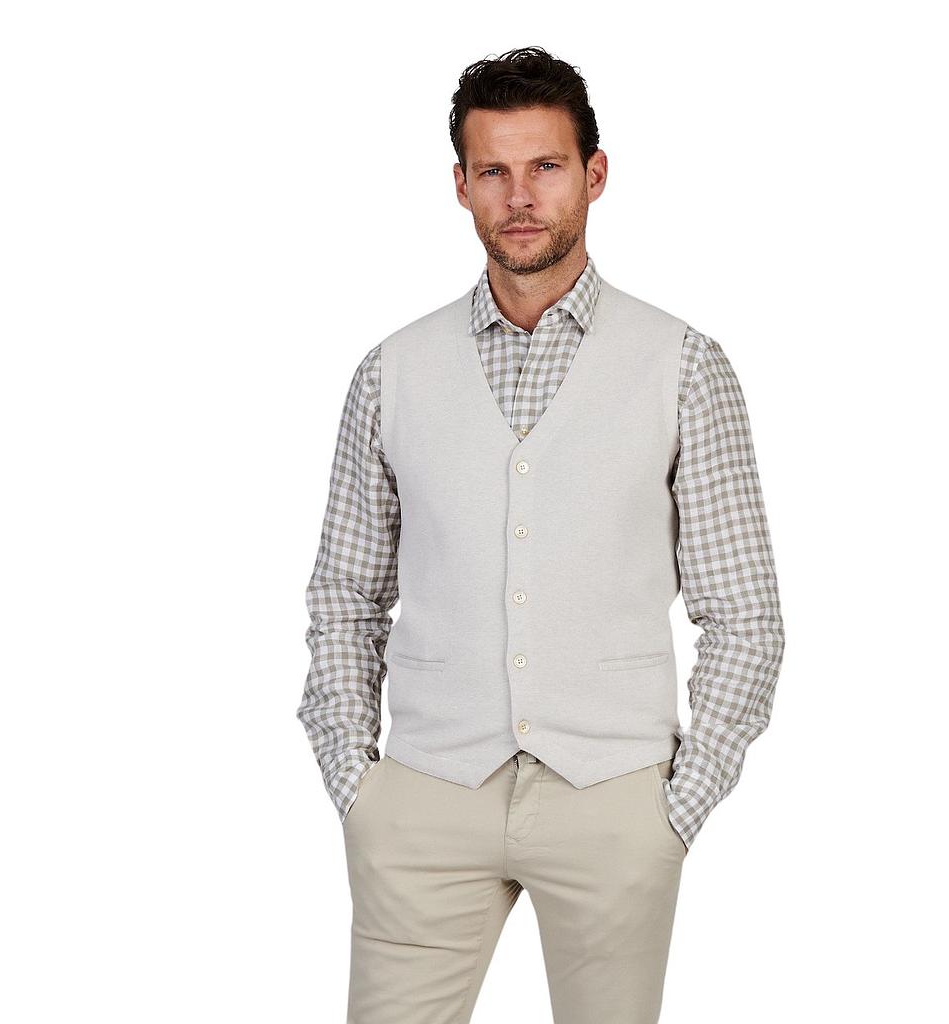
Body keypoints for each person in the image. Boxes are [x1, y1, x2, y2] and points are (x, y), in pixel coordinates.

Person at [296, 45, 785, 1024]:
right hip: (425, 795)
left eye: (546, 166)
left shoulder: (682, 365)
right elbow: (345, 594)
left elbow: (744, 614)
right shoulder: (392, 371)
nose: (519, 197)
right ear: (461, 185)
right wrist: (357, 782)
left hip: (613, 797)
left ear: (594, 174)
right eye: (493, 171)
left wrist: (675, 808)